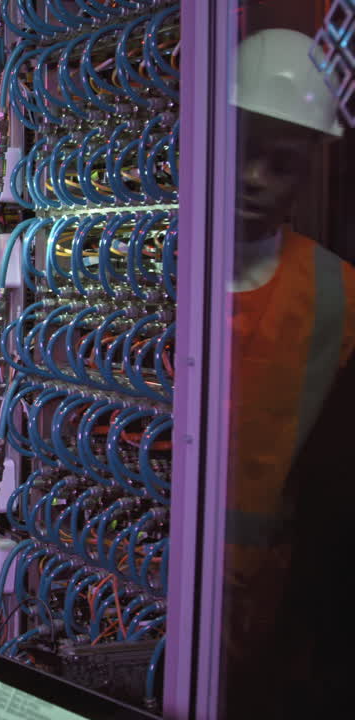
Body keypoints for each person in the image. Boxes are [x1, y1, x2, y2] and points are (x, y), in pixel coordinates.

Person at [223, 28, 355, 717]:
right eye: (245, 152)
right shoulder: (144, 274)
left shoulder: (340, 294)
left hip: (274, 625)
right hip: (137, 595)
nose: (254, 178)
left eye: (280, 162)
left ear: (310, 168)